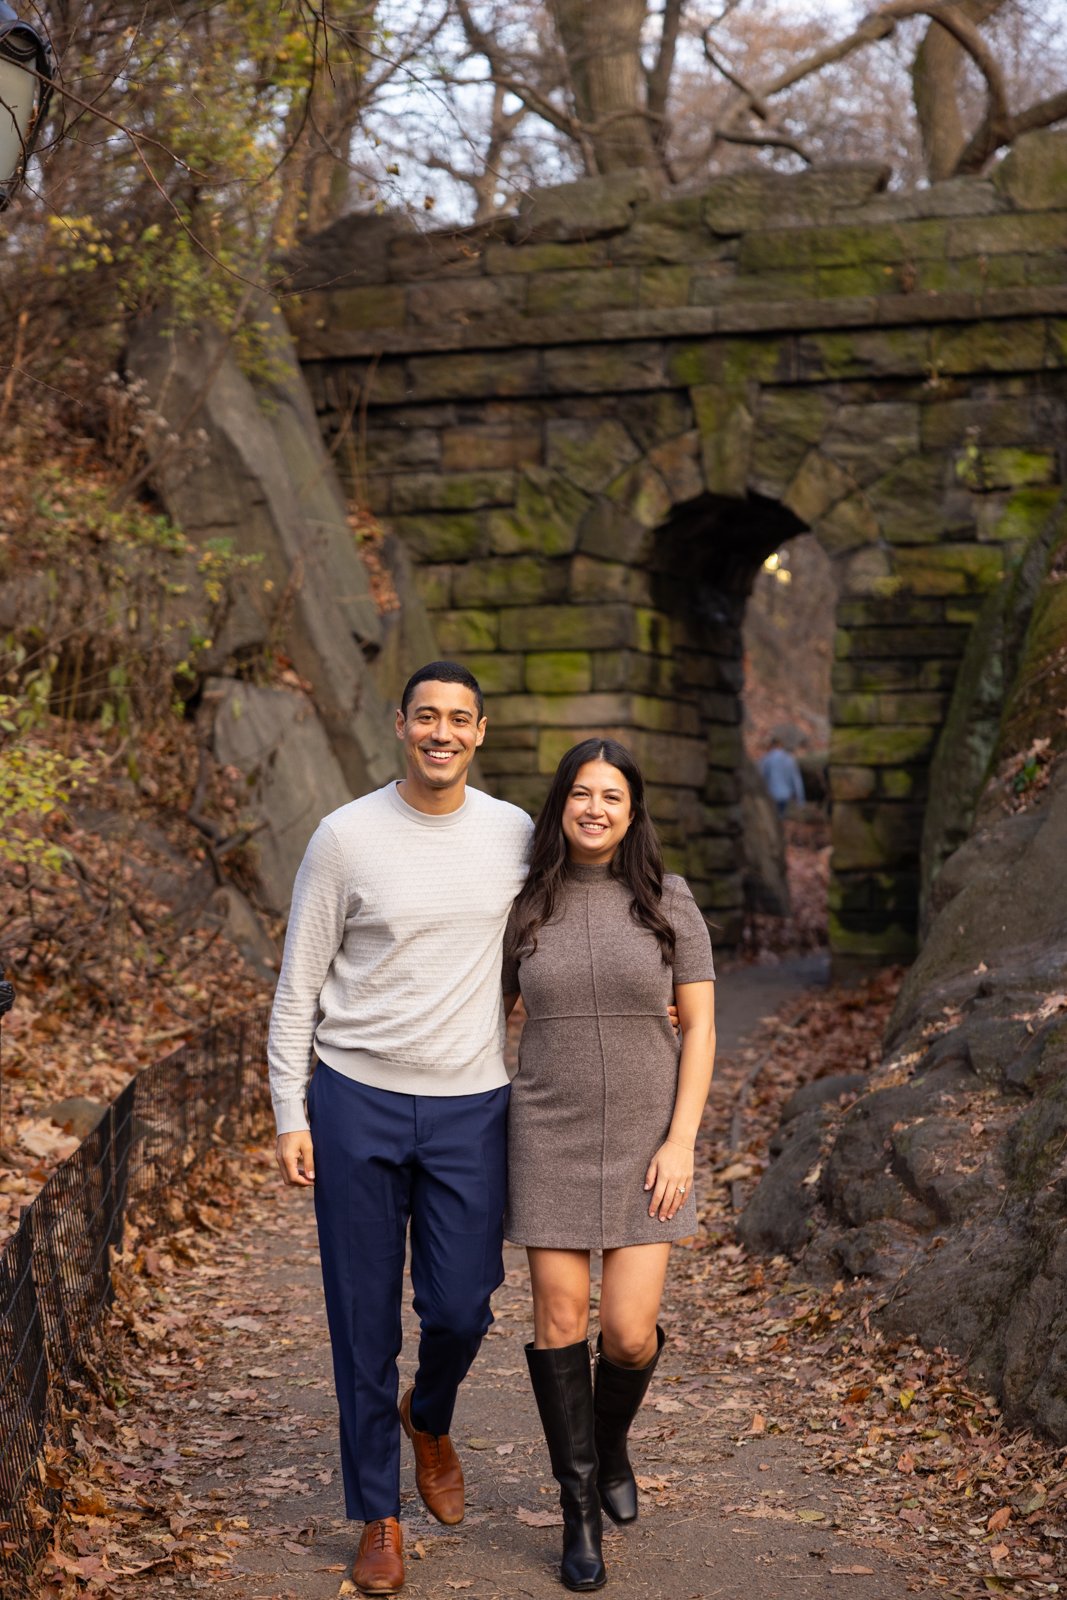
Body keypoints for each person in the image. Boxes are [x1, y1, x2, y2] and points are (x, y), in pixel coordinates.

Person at [267, 660, 534, 1597]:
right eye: (427, 717)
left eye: (459, 719)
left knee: (462, 1304)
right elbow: (299, 984)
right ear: (400, 724)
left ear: (480, 730)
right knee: (361, 1318)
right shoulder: (344, 837)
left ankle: (430, 1413)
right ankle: (378, 1513)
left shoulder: (514, 835)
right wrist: (288, 1110)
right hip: (356, 1100)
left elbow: (569, 928)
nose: (441, 733)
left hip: (472, 1103)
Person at [501, 738, 716, 1592]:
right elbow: (478, 1020)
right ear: (560, 805)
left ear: (632, 813)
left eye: (612, 797)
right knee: (559, 1319)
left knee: (626, 1333)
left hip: (643, 1141)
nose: (595, 808)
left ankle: (610, 1439)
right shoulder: (522, 907)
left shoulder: (669, 901)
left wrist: (681, 1140)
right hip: (545, 1134)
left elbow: (698, 1028)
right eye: (580, 794)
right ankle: (578, 1508)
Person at [758, 734, 805, 816]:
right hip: (785, 794)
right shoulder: (790, 759)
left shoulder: (766, 759)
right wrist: (800, 799)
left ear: (772, 745)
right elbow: (796, 780)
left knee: (772, 817)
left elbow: (760, 777)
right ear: (781, 745)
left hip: (771, 794)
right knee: (781, 816)